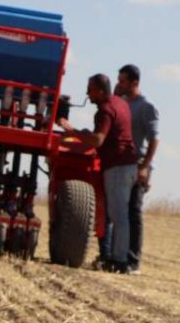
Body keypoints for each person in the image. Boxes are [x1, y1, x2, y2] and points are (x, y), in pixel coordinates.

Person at [58, 74, 136, 272]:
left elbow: (98, 140)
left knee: (118, 215)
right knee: (118, 214)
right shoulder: (120, 102)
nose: (87, 93)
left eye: (90, 89)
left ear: (101, 91)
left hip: (117, 166)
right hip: (128, 164)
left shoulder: (105, 110)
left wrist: (73, 132)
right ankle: (112, 256)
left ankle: (119, 261)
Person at [117, 64, 159, 273]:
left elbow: (154, 140)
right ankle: (118, 257)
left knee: (134, 211)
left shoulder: (146, 107)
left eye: (123, 81)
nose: (119, 84)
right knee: (119, 212)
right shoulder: (122, 104)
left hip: (138, 164)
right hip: (121, 165)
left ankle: (133, 261)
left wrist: (145, 167)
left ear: (134, 83)